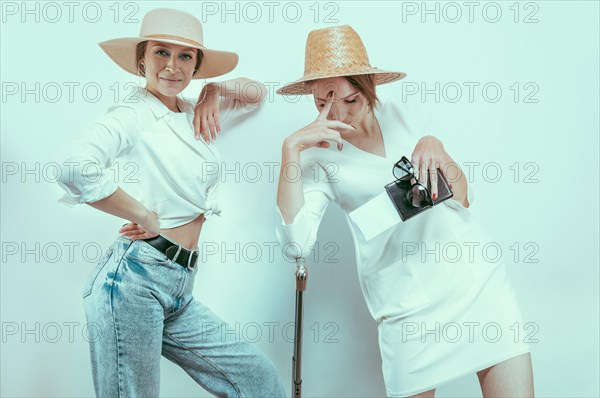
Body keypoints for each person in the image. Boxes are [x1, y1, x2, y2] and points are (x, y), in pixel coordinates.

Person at [275, 25, 534, 397]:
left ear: (370, 87)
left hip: (475, 282)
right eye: (322, 103)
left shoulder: (404, 112)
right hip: (406, 309)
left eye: (351, 99)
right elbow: (296, 245)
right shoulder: (317, 156)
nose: (339, 114)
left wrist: (436, 145)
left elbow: (463, 197)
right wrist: (290, 151)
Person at [57, 8, 285, 397]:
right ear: (141, 58)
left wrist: (214, 90)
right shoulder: (133, 114)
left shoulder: (196, 112)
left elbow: (256, 93)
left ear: (196, 65)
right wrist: (142, 213)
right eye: (162, 52)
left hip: (179, 286)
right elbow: (75, 168)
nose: (172, 67)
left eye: (185, 56)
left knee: (258, 380)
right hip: (132, 281)